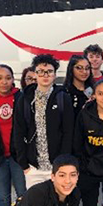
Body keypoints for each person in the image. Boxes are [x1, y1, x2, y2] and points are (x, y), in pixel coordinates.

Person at [13, 54, 75, 188]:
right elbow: (18, 132)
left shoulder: (63, 98)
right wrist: (24, 165)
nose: (45, 75)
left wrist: (62, 163)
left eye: (49, 71)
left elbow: (68, 132)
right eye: (41, 71)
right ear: (35, 74)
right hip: (33, 168)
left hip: (57, 167)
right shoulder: (24, 99)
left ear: (54, 74)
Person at [0, 64, 27, 206]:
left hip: (17, 156)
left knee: (23, 195)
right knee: (3, 197)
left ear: (13, 80)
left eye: (7, 78)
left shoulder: (20, 98)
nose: (4, 82)